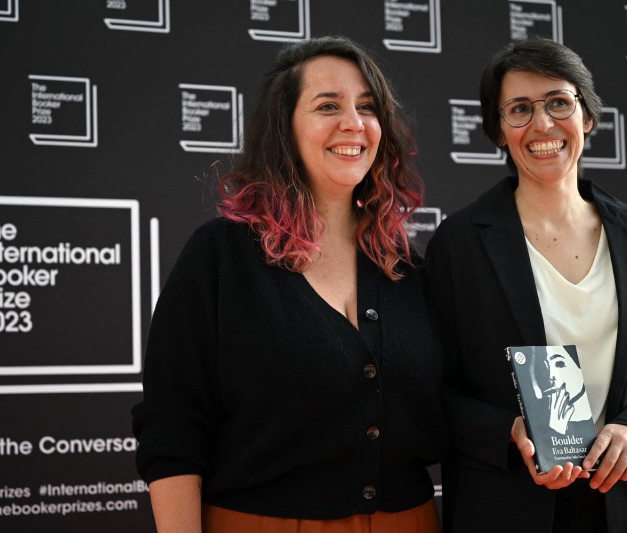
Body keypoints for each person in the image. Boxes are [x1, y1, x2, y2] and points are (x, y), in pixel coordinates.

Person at [132, 36, 447, 532]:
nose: (353, 123)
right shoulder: (220, 256)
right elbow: (172, 427)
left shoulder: (407, 268)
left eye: (368, 107)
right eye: (328, 106)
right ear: (285, 129)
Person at [424, 37, 627, 533]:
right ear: (499, 133)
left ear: (587, 117)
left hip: (625, 503)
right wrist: (508, 430)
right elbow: (430, 390)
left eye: (559, 103)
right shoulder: (460, 243)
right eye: (519, 109)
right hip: (508, 505)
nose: (543, 124)